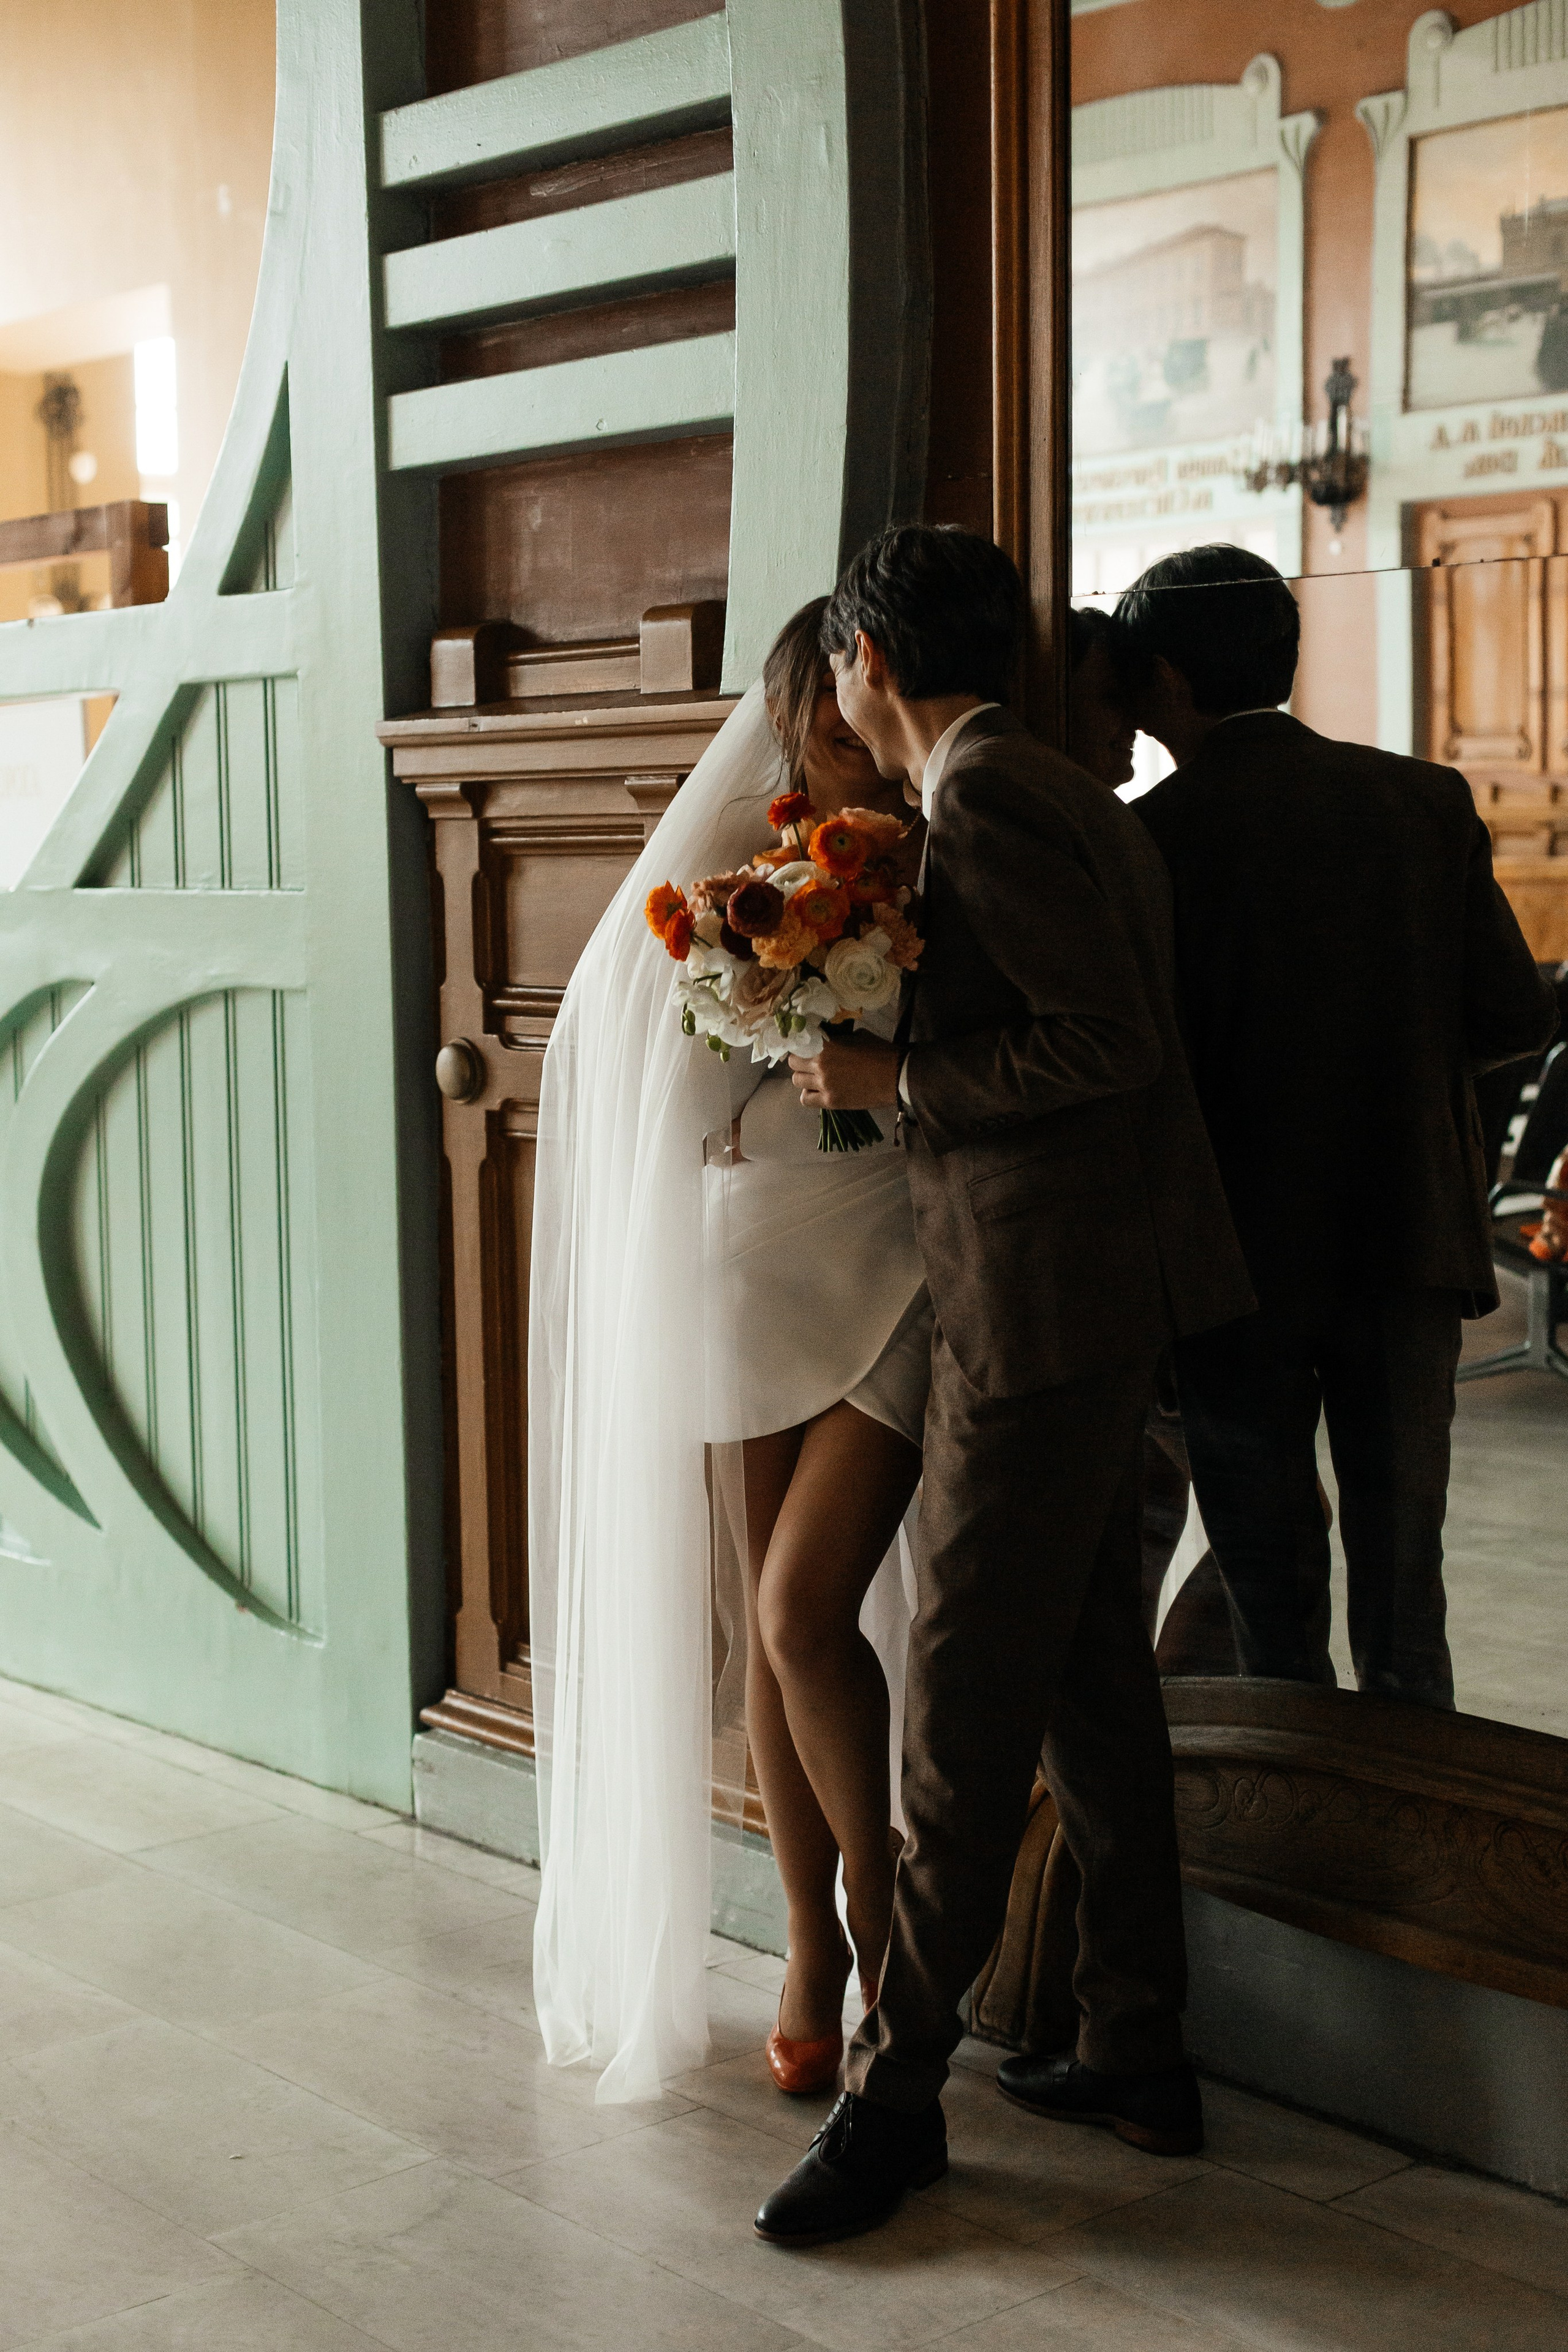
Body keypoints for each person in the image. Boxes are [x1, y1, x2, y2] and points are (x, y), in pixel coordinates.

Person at [754, 525, 1254, 2247]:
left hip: (1040, 1304)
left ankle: (898, 2104)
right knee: (1091, 1683)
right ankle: (1139, 2044)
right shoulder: (1045, 782)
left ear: (869, 666)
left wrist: (895, 1077)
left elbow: (1101, 1043)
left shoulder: (988, 801)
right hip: (1090, 1292)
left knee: (962, 1703)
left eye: (837, 665)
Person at [527, 598, 930, 2108]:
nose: (850, 765)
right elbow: (647, 1078)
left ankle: (888, 1946)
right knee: (769, 1624)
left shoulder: (948, 858)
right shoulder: (729, 885)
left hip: (894, 1256)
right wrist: (738, 997)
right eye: (818, 737)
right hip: (747, 1260)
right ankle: (810, 1951)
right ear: (785, 726)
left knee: (800, 1605)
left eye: (857, 731)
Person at [1118, 544, 1559, 1707]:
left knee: (1272, 1602)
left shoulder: (1149, 843)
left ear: (1161, 673)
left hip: (1232, 1269)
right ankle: (1412, 1850)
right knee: (1408, 1598)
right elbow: (1514, 1011)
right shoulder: (1425, 801)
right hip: (1405, 1238)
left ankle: (1299, 1851)